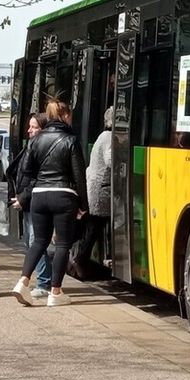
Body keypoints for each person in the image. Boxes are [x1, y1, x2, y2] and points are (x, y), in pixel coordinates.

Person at [12, 99, 88, 307]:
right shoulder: (70, 140)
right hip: (63, 195)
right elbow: (79, 176)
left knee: (39, 241)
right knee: (63, 244)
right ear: (65, 116)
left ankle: (22, 282)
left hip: (39, 195)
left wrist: (27, 193)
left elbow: (27, 170)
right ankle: (55, 292)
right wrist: (83, 205)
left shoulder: (35, 140)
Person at [8, 113, 53, 298]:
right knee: (30, 241)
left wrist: (23, 198)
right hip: (28, 201)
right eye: (30, 126)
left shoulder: (41, 150)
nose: (29, 130)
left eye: (34, 127)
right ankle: (43, 281)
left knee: (36, 241)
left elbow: (35, 179)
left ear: (43, 130)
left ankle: (44, 283)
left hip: (35, 201)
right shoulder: (31, 146)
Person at [73, 107, 112, 280]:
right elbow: (110, 160)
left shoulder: (103, 136)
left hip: (98, 188)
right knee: (94, 226)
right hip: (100, 190)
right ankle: (80, 260)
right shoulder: (109, 137)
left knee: (93, 226)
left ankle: (80, 260)